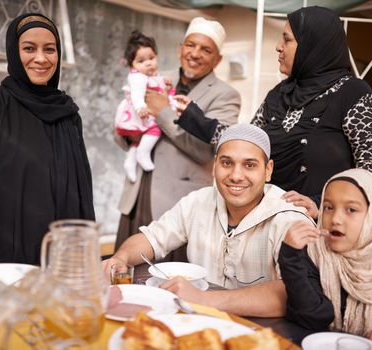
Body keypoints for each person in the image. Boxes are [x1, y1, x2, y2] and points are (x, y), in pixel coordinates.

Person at [175, 6, 372, 219]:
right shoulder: (279, 95)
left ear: (312, 45)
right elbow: (248, 143)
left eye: (287, 40)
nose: (279, 47)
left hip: (321, 230)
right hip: (269, 222)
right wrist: (193, 117)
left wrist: (323, 205)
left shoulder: (354, 94)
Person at [105, 124, 314, 317]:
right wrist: (121, 258)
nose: (236, 175)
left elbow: (294, 294)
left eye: (249, 165)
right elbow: (152, 238)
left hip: (262, 333)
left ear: (268, 170)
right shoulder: (198, 201)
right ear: (214, 167)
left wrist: (203, 299)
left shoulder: (290, 218)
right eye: (226, 163)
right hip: (198, 321)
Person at [0, 13, 95, 270]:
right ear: (14, 53)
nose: (41, 58)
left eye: (49, 49)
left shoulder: (69, 115)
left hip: (62, 267)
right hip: (4, 266)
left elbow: (82, 194)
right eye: (29, 48)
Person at [114, 17, 241, 258]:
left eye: (206, 49)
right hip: (138, 193)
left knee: (168, 283)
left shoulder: (226, 96)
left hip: (178, 205)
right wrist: (126, 129)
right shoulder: (155, 76)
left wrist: (163, 112)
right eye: (190, 45)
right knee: (125, 274)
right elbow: (125, 124)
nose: (195, 53)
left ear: (218, 59)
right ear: (180, 48)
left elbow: (208, 151)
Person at [279, 169, 372, 350]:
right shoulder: (314, 255)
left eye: (351, 210)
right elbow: (313, 317)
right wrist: (290, 257)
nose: (335, 219)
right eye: (328, 207)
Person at [115, 30, 174, 183]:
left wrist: (166, 84)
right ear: (132, 65)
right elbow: (137, 94)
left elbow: (162, 91)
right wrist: (141, 107)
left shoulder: (152, 75)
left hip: (142, 114)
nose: (148, 63)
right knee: (155, 129)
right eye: (141, 61)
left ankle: (130, 161)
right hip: (140, 112)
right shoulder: (137, 77)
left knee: (139, 138)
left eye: (151, 58)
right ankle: (142, 153)